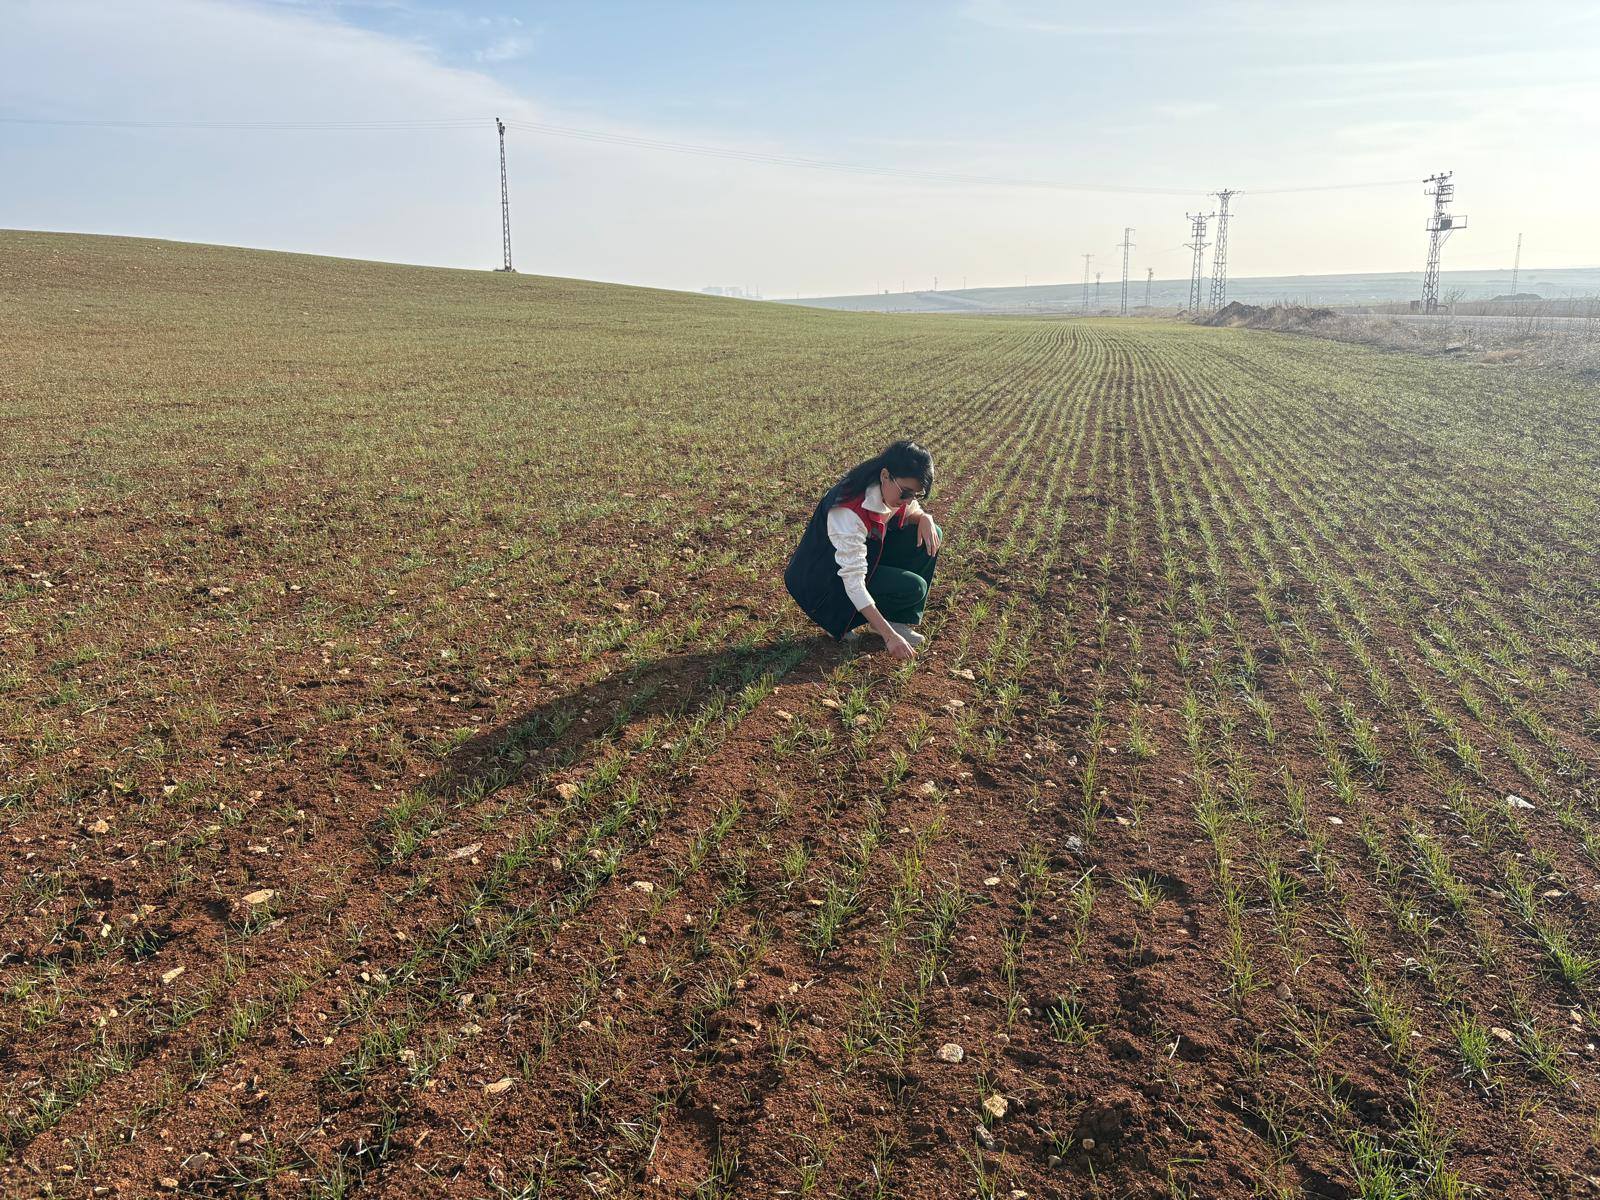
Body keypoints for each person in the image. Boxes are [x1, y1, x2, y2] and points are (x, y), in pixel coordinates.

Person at [784, 439, 943, 661]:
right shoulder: (848, 510)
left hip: (855, 562)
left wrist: (925, 517)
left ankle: (894, 619)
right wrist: (890, 637)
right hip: (821, 585)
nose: (908, 501)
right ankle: (839, 618)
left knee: (931, 531)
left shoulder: (887, 489)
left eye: (915, 495)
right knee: (914, 587)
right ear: (886, 475)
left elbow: (911, 511)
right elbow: (853, 581)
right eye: (905, 493)